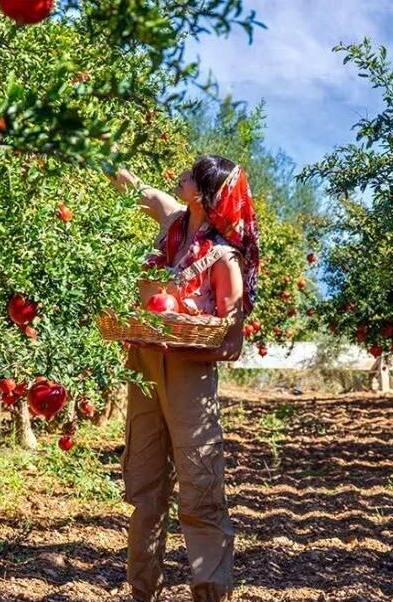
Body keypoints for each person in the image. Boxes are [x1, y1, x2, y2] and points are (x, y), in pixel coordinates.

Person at [109, 154, 261, 602]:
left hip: (188, 372)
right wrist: (82, 142)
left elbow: (229, 338)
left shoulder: (221, 255)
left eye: (193, 174)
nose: (183, 174)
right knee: (144, 485)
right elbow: (139, 188)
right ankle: (142, 590)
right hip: (143, 363)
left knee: (199, 487)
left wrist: (193, 322)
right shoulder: (173, 221)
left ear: (205, 191)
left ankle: (210, 590)